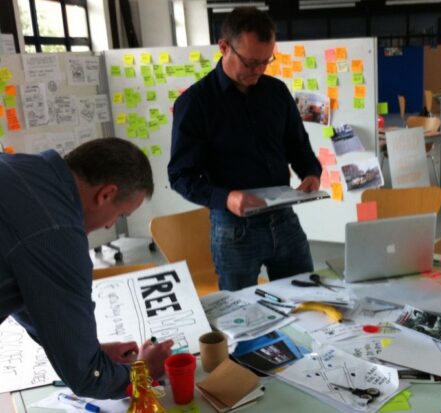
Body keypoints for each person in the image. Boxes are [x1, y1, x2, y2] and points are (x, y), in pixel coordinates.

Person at [0, 138, 173, 399]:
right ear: (106, 194)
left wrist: (88, 350)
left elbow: (28, 291)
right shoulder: (58, 235)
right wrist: (146, 370)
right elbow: (88, 379)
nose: (109, 226)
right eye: (121, 215)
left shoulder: (21, 168)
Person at [169, 7, 322, 291]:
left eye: (266, 61)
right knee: (242, 317)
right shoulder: (195, 104)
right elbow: (180, 176)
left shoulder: (276, 92)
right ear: (224, 47)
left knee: (307, 298)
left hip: (284, 218)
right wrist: (225, 198)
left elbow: (298, 146)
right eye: (251, 63)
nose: (259, 71)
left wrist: (311, 172)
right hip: (233, 228)